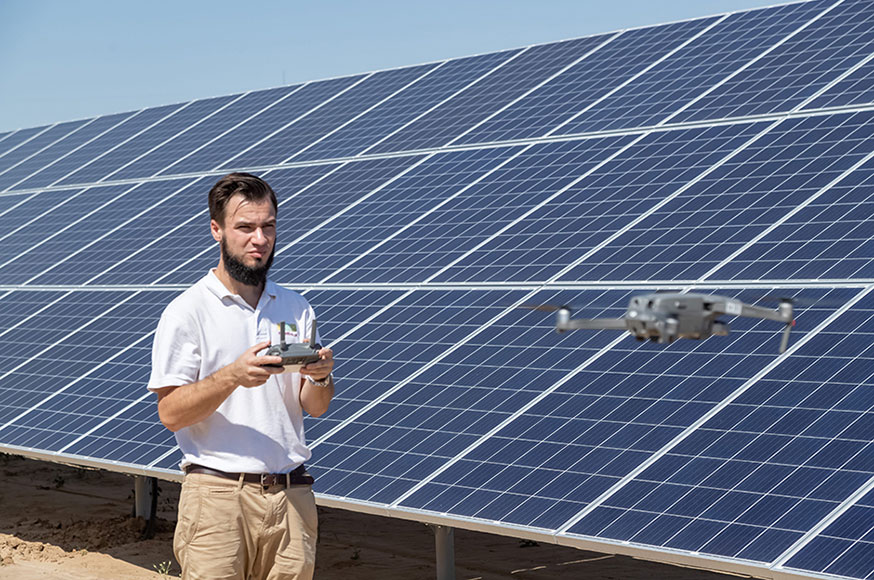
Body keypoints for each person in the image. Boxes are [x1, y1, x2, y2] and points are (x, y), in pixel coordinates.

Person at [147, 172, 335, 580]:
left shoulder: (296, 307)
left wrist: (320, 377)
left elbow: (314, 406)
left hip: (292, 496)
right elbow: (170, 413)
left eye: (268, 227)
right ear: (216, 230)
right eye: (245, 227)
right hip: (218, 500)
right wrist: (232, 375)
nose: (260, 239)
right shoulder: (188, 311)